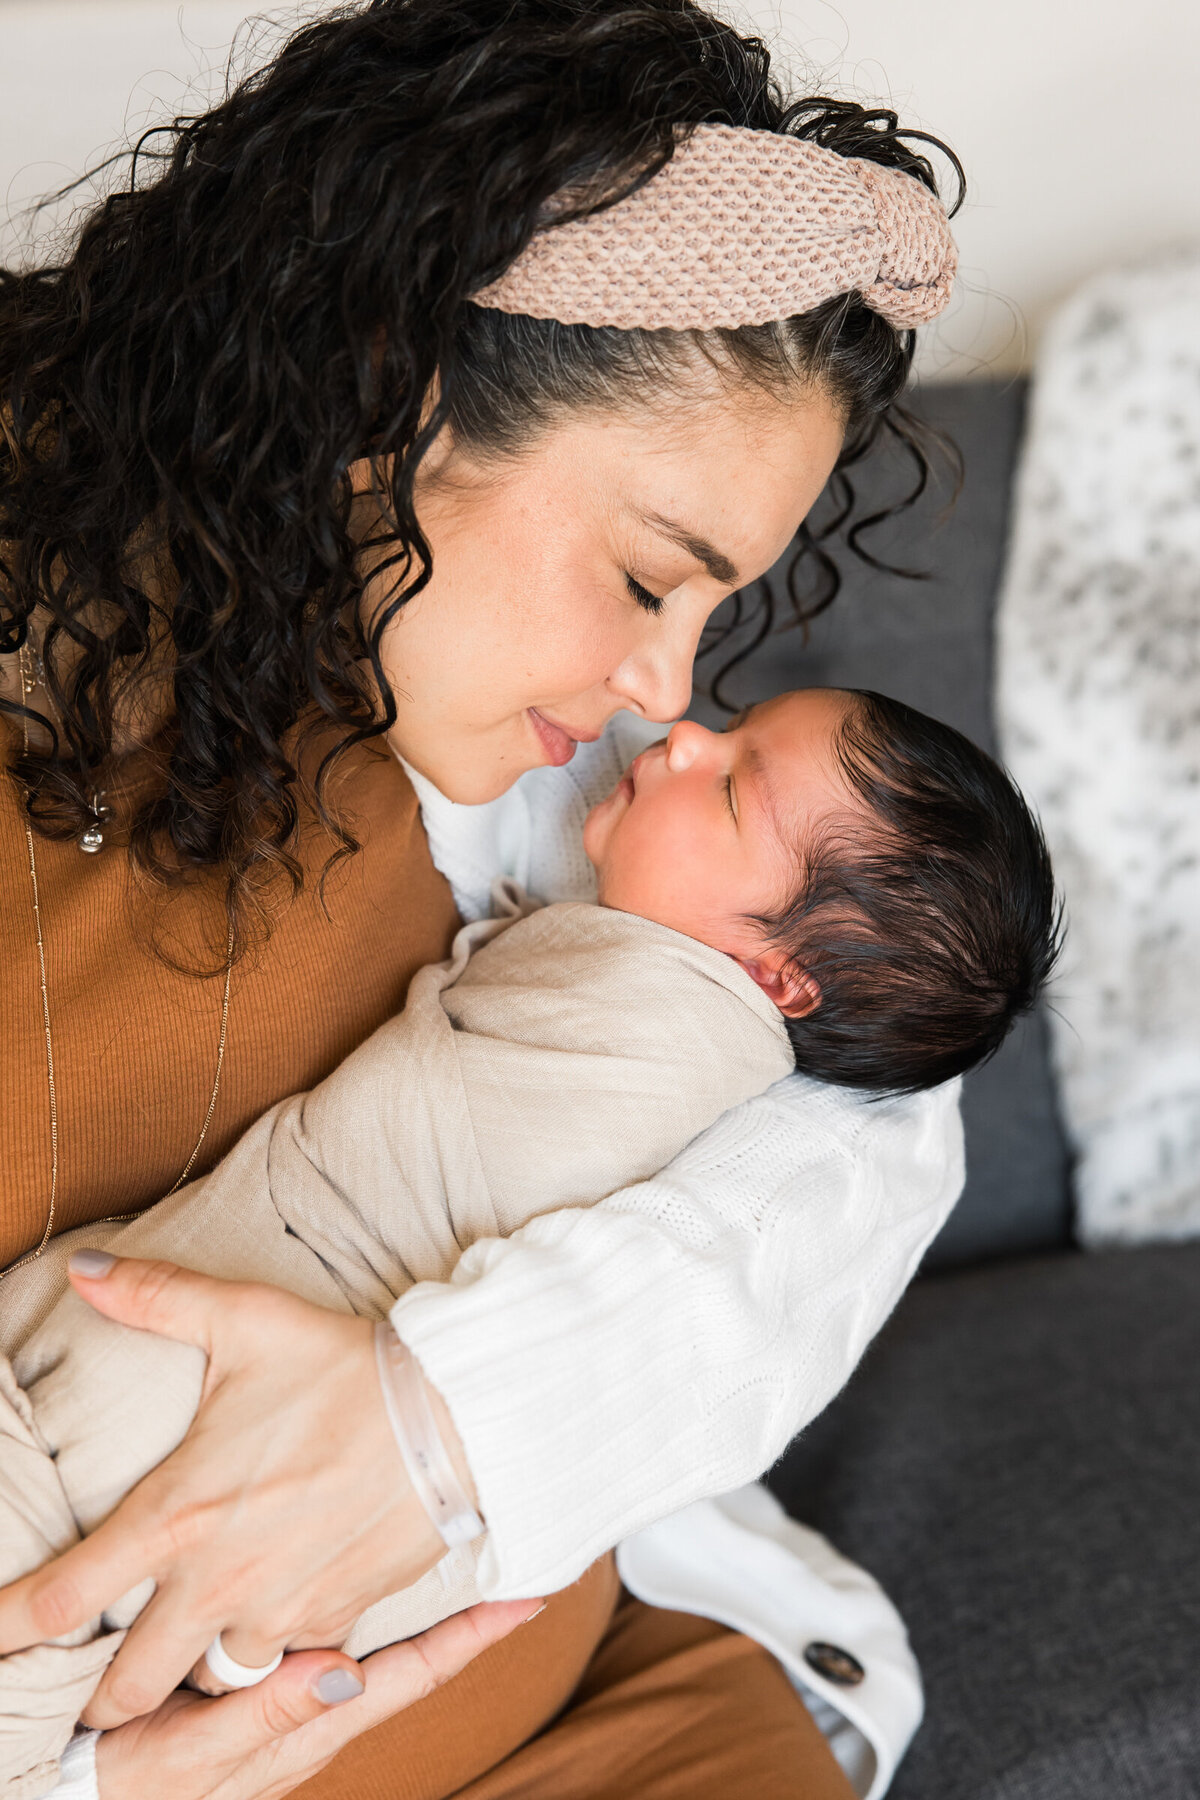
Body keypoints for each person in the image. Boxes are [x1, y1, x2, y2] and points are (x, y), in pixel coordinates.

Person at [0, 3, 968, 1795]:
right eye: (646, 576)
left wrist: (449, 1424)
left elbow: (872, 1096)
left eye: (715, 612)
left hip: (628, 1713)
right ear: (389, 387)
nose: (670, 695)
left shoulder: (452, 698)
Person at [0, 681, 1058, 1787]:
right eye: (647, 581)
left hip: (235, 1449)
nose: (679, 719)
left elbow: (889, 1142)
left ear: (776, 978)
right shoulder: (614, 820)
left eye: (735, 781)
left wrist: (444, 1428)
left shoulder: (684, 1033)